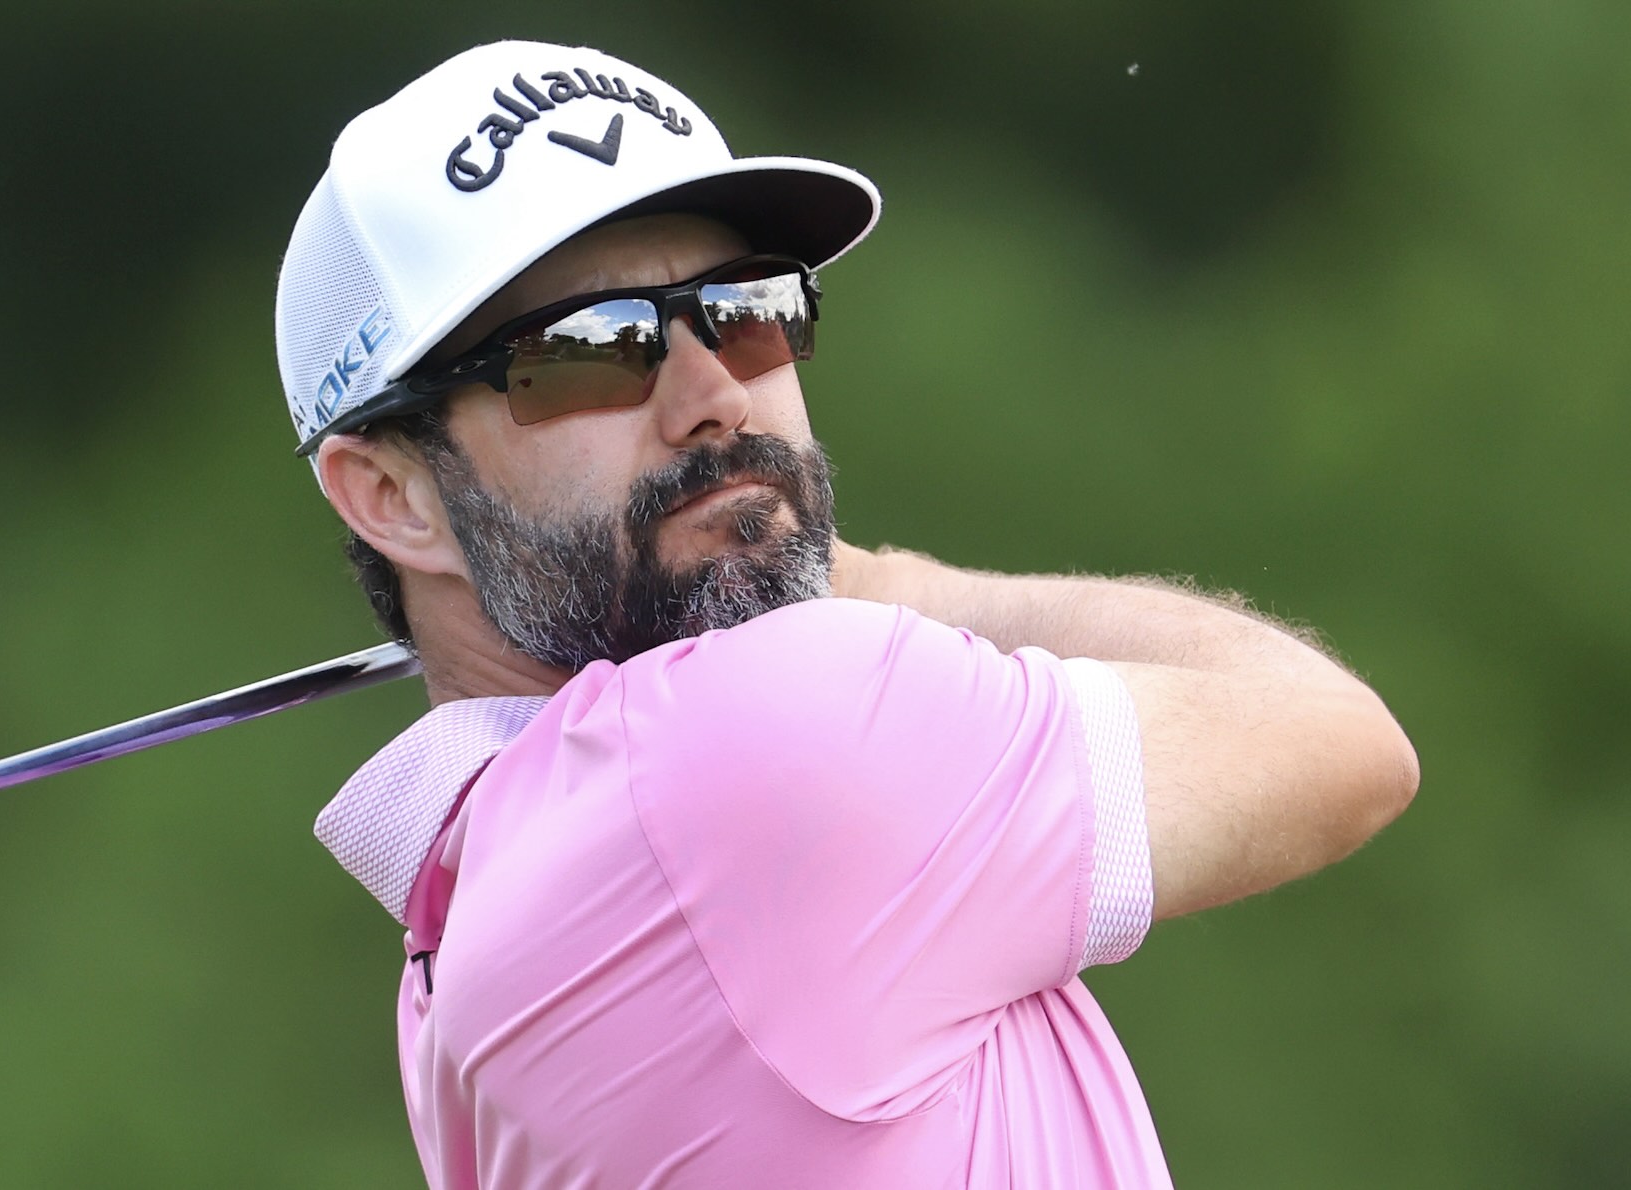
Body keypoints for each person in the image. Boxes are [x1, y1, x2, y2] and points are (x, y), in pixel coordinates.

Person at [274, 40, 1418, 1189]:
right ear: (389, 495)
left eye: (745, 310)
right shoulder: (745, 740)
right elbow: (1332, 738)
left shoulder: (454, 944)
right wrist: (902, 583)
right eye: (588, 349)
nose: (712, 396)